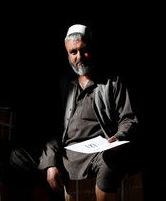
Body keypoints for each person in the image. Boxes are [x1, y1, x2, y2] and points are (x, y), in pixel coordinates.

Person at [35, 23, 140, 201]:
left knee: (110, 162)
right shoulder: (63, 86)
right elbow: (52, 131)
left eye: (84, 50)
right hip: (69, 154)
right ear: (67, 55)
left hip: (101, 151)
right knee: (20, 160)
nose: (79, 57)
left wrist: (119, 137)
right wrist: (50, 164)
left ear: (93, 48)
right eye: (73, 52)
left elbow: (128, 119)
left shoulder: (112, 83)